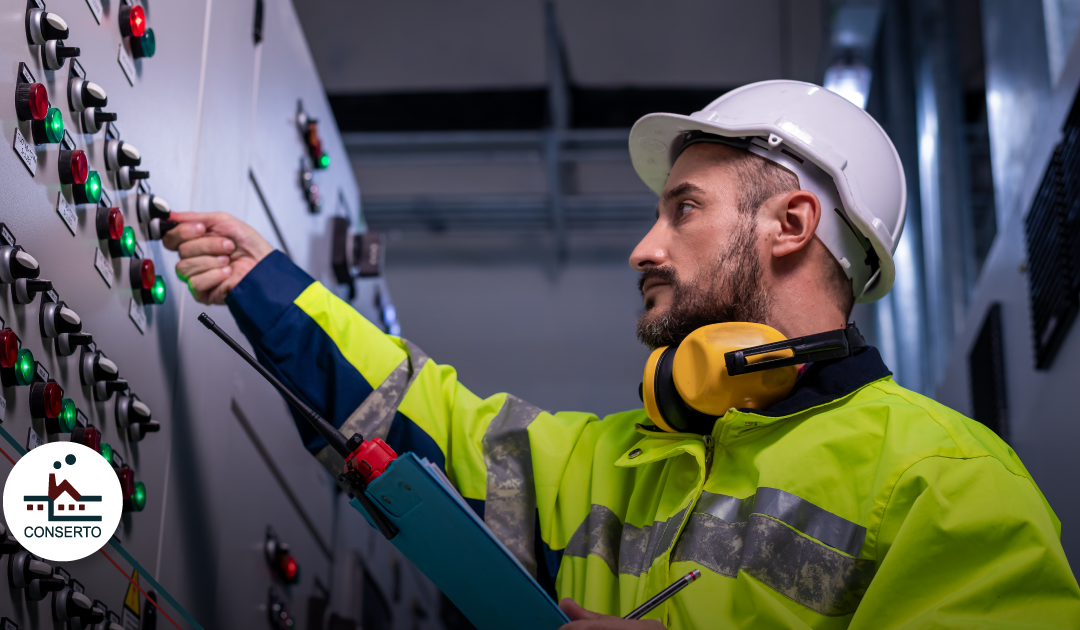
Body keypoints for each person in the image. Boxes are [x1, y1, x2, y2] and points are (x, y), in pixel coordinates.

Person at [164, 81, 1080, 629]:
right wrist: (267, 284)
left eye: (683, 208)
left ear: (791, 224)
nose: (643, 248)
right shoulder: (612, 463)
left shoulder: (946, 481)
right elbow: (416, 418)